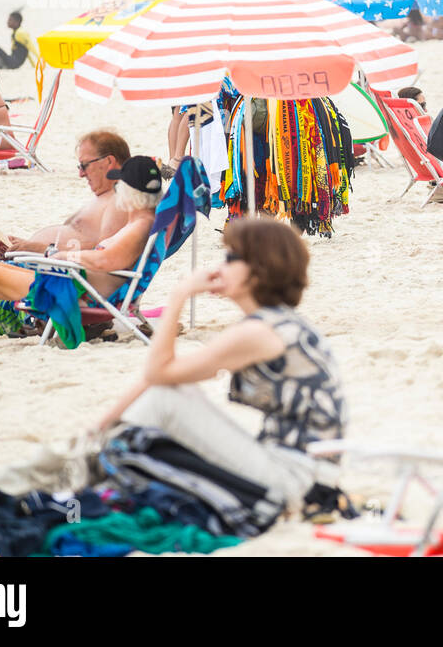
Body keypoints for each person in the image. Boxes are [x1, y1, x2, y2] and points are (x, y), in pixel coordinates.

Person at [94, 217, 347, 514]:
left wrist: (179, 295)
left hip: (298, 483)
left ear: (258, 270)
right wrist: (99, 427)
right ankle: (94, 454)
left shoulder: (258, 332)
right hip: (304, 475)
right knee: (172, 391)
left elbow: (157, 373)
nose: (220, 266)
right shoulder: (279, 323)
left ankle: (91, 467)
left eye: (230, 258)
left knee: (167, 398)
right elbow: (166, 375)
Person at [0, 155, 162, 353]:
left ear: (130, 192)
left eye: (121, 186)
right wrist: (55, 253)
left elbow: (108, 260)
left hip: (77, 291)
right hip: (76, 283)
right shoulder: (140, 224)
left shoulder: (138, 227)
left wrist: (65, 257)